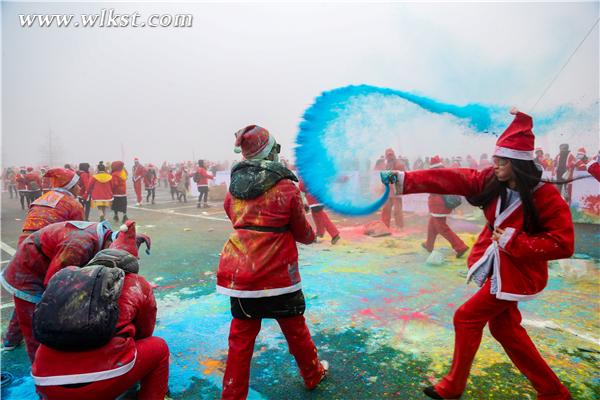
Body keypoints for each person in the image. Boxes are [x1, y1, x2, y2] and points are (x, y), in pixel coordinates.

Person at [382, 109, 574, 400]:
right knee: (505, 328)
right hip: (497, 264)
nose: (495, 164)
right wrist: (405, 179)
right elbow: (452, 178)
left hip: (518, 273)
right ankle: (553, 392)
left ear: (519, 164)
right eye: (495, 158)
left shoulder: (546, 197)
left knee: (466, 317)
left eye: (502, 160)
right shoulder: (491, 181)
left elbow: (563, 244)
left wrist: (514, 240)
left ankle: (452, 387)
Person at [218, 125, 328, 399]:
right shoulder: (286, 187)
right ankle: (313, 375)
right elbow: (304, 234)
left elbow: (233, 216)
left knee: (241, 339)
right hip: (278, 275)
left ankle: (232, 395)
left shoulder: (234, 187)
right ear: (270, 151)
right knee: (295, 330)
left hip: (239, 273)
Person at [0, 219, 151, 362]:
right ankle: (42, 371)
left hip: (45, 260)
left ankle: (9, 341)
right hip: (28, 270)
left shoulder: (102, 236)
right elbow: (55, 284)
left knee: (22, 308)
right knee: (36, 323)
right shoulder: (79, 246)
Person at [31, 248, 168, 400]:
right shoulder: (136, 282)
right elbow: (145, 331)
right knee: (159, 347)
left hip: (45, 380)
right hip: (102, 380)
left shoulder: (67, 280)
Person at [2, 168, 84, 352]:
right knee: (46, 289)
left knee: (24, 292)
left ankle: (10, 339)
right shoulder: (73, 204)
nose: (79, 187)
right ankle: (42, 350)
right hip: (45, 249)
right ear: (69, 185)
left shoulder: (42, 198)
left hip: (25, 245)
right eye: (77, 184)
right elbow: (77, 236)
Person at [420, 156, 469, 258]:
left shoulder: (434, 175)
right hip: (441, 204)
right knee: (432, 224)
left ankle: (460, 246)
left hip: (438, 204)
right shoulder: (445, 173)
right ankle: (429, 244)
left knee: (442, 228)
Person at [299, 179, 340, 244]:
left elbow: (302, 187)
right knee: (317, 215)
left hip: (313, 199)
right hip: (318, 197)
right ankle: (320, 233)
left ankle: (334, 234)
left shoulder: (306, 174)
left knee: (321, 216)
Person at [378, 148, 405, 229]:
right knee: (386, 210)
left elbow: (400, 178)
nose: (390, 156)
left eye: (391, 155)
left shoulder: (399, 164)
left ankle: (399, 226)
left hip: (396, 191)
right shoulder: (386, 164)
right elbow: (385, 178)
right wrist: (383, 189)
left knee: (398, 210)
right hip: (388, 191)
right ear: (386, 156)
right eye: (388, 155)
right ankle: (385, 226)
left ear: (393, 155)